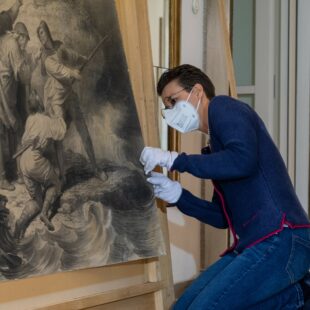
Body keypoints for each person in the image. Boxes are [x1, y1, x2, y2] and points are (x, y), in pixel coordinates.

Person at [140, 64, 310, 309]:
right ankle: (295, 295)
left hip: (282, 236)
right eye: (166, 107)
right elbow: (222, 217)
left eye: (173, 101)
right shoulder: (216, 148)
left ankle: (297, 294)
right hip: (258, 241)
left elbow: (243, 161)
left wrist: (174, 160)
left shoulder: (224, 107)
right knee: (184, 306)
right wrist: (177, 195)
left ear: (197, 91)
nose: (170, 111)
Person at [36, 20, 104, 183]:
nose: (42, 37)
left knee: (84, 130)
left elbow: (71, 55)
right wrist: (73, 73)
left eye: (43, 32)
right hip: (56, 100)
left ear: (48, 32)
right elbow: (60, 71)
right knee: (59, 136)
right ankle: (62, 175)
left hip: (69, 94)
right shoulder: (46, 59)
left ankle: (95, 168)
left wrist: (83, 58)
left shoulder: (59, 47)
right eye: (39, 35)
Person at [14, 90, 66, 238]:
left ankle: (20, 223)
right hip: (35, 160)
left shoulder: (30, 119)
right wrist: (57, 114)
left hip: (24, 161)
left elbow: (24, 140)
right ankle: (44, 213)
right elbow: (61, 132)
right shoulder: (48, 121)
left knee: (36, 199)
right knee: (55, 184)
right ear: (42, 104)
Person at [0, 21, 30, 190]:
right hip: (1, 97)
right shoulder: (12, 44)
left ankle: (18, 173)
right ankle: (2, 178)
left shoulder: (8, 42)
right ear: (20, 36)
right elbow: (23, 75)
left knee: (16, 131)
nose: (26, 43)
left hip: (7, 97)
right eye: (26, 39)